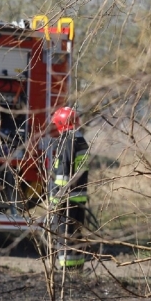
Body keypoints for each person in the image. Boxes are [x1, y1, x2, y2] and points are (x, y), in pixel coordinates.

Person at [48, 107, 90, 269]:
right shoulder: (80, 139)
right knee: (75, 233)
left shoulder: (67, 140)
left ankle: (66, 269)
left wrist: (56, 198)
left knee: (63, 233)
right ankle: (76, 267)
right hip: (79, 195)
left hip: (66, 196)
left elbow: (64, 171)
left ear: (60, 123)